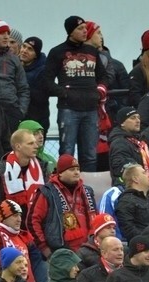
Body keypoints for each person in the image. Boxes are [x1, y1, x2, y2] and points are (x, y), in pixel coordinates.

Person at [43, 16, 109, 172]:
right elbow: (46, 81)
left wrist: (100, 91)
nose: (85, 31)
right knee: (67, 152)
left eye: (86, 28)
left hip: (91, 109)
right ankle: (64, 188)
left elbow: (103, 76)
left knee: (90, 155)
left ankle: (88, 190)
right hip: (68, 109)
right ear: (70, 31)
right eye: (80, 28)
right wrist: (65, 93)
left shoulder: (92, 51)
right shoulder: (57, 52)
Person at [27, 154, 97, 259]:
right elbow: (32, 221)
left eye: (78, 169)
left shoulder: (87, 191)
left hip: (88, 250)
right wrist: (46, 250)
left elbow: (96, 218)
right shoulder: (47, 192)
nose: (77, 172)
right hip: (59, 253)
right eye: (72, 169)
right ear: (60, 173)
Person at [0, 129, 45, 222]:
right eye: (30, 143)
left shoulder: (42, 169)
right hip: (7, 225)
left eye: (35, 143)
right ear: (18, 146)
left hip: (37, 223)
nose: (36, 146)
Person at [116, 162, 149, 241]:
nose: (148, 175)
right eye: (144, 173)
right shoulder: (126, 201)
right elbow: (128, 229)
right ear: (135, 179)